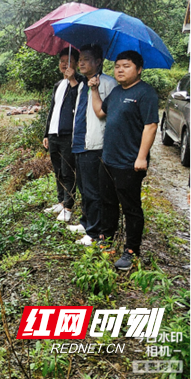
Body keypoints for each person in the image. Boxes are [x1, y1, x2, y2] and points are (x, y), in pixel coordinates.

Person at [89, 50, 159, 270]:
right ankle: (106, 240)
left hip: (129, 163)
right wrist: (94, 89)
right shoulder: (118, 92)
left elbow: (151, 126)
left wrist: (141, 157)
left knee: (131, 208)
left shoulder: (145, 93)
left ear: (139, 69)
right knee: (107, 202)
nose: (120, 69)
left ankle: (131, 251)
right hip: (108, 159)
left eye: (126, 65)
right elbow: (101, 112)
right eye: (117, 65)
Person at [69, 44, 117, 245]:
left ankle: (95, 232)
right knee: (83, 186)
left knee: (93, 190)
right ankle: (86, 221)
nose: (81, 62)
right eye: (80, 58)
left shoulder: (107, 84)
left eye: (86, 59)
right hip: (79, 141)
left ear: (99, 62)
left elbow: (109, 115)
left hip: (95, 144)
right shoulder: (82, 84)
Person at [43, 47, 83, 222]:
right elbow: (52, 110)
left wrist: (72, 79)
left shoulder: (80, 83)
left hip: (68, 134)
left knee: (68, 170)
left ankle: (68, 206)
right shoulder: (58, 85)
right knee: (58, 170)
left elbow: (78, 102)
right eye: (61, 62)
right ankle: (60, 201)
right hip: (53, 134)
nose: (64, 65)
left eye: (68, 62)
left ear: (75, 64)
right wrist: (46, 133)